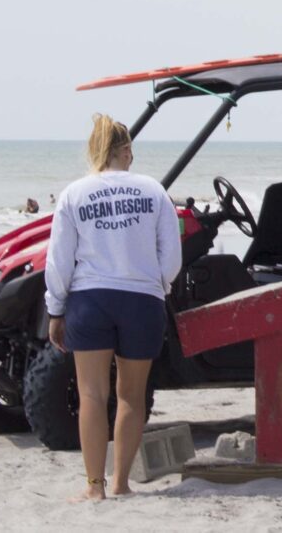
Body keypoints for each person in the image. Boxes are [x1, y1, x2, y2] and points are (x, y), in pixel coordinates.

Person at [45, 114, 182, 501]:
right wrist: (158, 287)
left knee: (90, 394)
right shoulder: (153, 192)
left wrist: (56, 310)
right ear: (124, 151)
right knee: (130, 396)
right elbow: (171, 255)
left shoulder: (76, 193)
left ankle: (94, 488)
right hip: (142, 300)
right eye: (131, 153)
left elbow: (60, 262)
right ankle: (121, 483)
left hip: (91, 300)